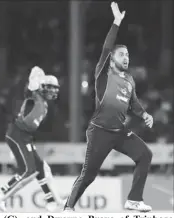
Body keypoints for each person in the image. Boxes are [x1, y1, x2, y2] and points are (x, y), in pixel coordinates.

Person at [64, 2, 154, 212]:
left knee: (145, 155)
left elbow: (134, 104)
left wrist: (145, 114)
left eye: (128, 55)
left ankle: (133, 199)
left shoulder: (129, 80)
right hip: (100, 132)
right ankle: (68, 207)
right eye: (122, 54)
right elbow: (106, 47)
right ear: (112, 59)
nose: (127, 58)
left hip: (120, 132)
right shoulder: (103, 74)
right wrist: (116, 22)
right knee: (89, 174)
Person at [0, 66, 61, 212]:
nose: (54, 91)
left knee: (41, 167)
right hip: (17, 134)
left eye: (56, 89)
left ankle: (51, 200)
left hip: (25, 136)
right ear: (42, 87)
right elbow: (35, 71)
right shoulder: (34, 95)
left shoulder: (44, 104)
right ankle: (2, 193)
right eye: (51, 88)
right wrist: (39, 79)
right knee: (28, 170)